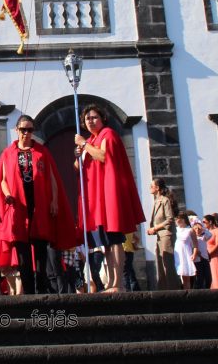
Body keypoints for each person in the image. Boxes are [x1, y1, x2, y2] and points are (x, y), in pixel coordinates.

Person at [0, 115, 76, 295]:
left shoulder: (42, 151)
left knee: (40, 252)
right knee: (23, 254)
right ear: (17, 130)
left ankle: (41, 289)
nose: (26, 133)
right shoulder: (8, 153)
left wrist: (54, 201)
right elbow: (3, 180)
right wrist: (8, 194)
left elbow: (53, 178)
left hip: (39, 206)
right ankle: (29, 292)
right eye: (23, 129)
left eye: (30, 129)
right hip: (19, 208)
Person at [74, 104, 146, 293]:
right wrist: (80, 153)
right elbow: (78, 166)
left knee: (114, 240)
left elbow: (103, 155)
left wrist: (84, 144)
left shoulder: (107, 134)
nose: (90, 121)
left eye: (94, 117)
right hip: (96, 197)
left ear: (102, 119)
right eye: (87, 118)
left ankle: (117, 284)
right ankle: (112, 283)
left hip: (108, 195)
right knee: (105, 243)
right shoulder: (92, 139)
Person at [147, 178, 180, 290]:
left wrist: (155, 228)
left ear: (157, 188)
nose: (150, 188)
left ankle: (173, 289)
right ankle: (163, 289)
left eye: (152, 186)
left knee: (168, 262)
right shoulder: (157, 201)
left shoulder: (164, 200)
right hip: (160, 235)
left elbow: (170, 219)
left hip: (167, 235)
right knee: (161, 262)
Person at [174, 211, 196, 290]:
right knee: (178, 276)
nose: (176, 221)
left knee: (186, 277)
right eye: (176, 219)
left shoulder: (190, 230)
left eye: (177, 219)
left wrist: (194, 254)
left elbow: (195, 245)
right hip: (176, 254)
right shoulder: (175, 230)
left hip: (185, 254)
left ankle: (187, 293)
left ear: (183, 219)